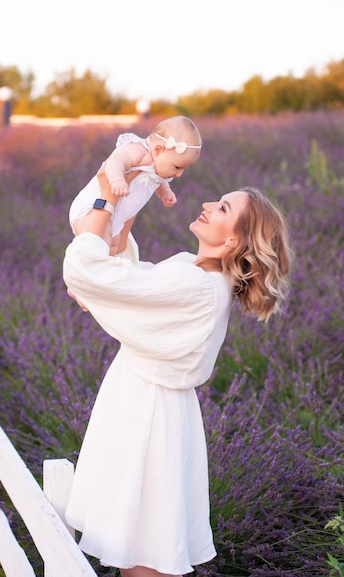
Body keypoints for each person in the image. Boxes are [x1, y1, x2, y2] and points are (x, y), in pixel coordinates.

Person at [63, 166, 292, 577]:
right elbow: (124, 275)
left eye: (222, 207)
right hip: (140, 407)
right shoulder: (195, 269)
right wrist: (133, 194)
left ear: (233, 239)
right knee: (136, 548)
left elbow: (99, 274)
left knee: (145, 555)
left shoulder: (200, 286)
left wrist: (106, 195)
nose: (207, 205)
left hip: (149, 423)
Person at [69, 116, 202, 255]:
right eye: (177, 167)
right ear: (157, 151)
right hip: (92, 207)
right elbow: (116, 161)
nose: (180, 174)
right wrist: (117, 180)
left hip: (117, 214)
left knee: (114, 249)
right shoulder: (139, 151)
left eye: (183, 169)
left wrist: (165, 192)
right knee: (98, 246)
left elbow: (157, 181)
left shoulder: (160, 166)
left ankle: (108, 270)